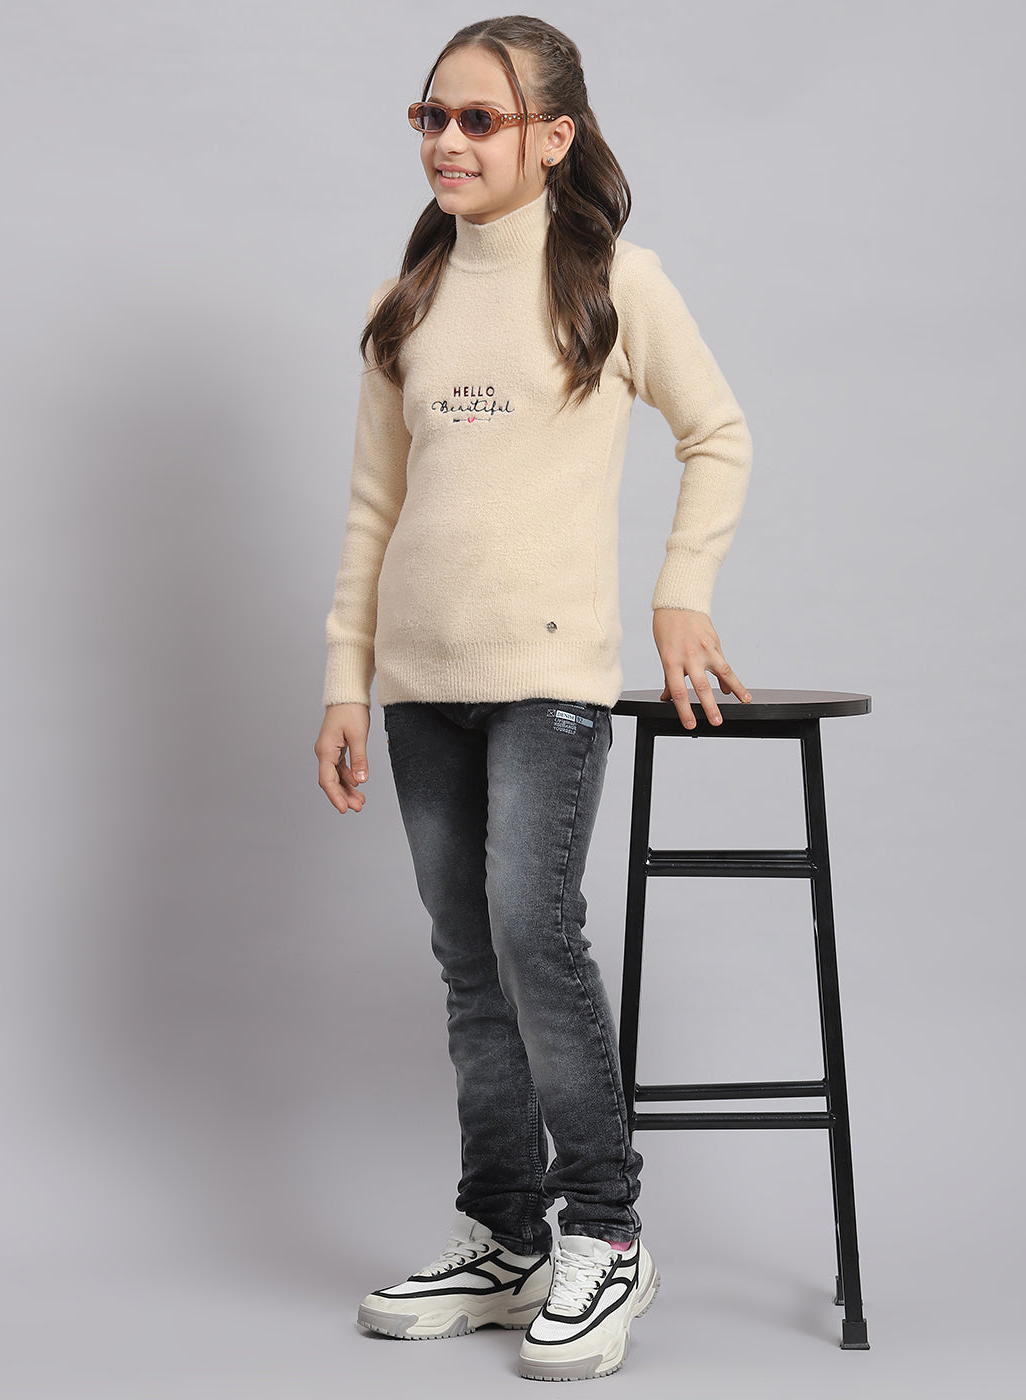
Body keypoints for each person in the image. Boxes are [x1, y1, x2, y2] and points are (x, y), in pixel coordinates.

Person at [314, 14, 753, 1383]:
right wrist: (344, 680)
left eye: (478, 120)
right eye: (429, 117)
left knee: (530, 934)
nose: (446, 141)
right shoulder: (407, 304)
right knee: (468, 963)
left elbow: (717, 433)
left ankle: (606, 1232)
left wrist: (681, 594)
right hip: (418, 686)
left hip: (548, 682)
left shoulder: (614, 280)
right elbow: (374, 511)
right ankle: (504, 1237)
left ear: (553, 138)